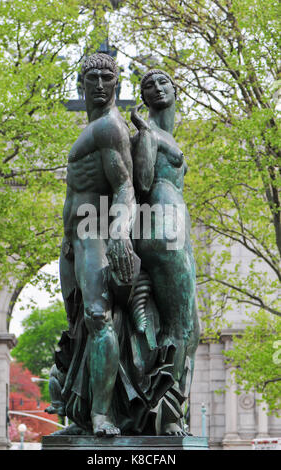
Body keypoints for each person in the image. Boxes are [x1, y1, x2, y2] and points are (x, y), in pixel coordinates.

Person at [58, 53, 135, 437]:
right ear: (81, 84)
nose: (102, 85)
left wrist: (119, 231)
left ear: (117, 84)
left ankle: (103, 414)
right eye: (94, 78)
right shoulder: (90, 129)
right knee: (77, 330)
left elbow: (124, 186)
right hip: (73, 240)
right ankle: (83, 415)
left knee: (97, 316)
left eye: (109, 77)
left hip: (94, 233)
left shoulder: (110, 128)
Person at [131, 69, 200, 435]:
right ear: (142, 97)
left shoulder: (168, 133)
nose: (156, 88)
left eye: (162, 82)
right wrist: (144, 137)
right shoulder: (150, 132)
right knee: (180, 326)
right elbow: (141, 183)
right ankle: (168, 414)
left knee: (194, 331)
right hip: (162, 226)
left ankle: (165, 408)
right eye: (148, 86)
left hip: (177, 229)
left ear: (175, 89)